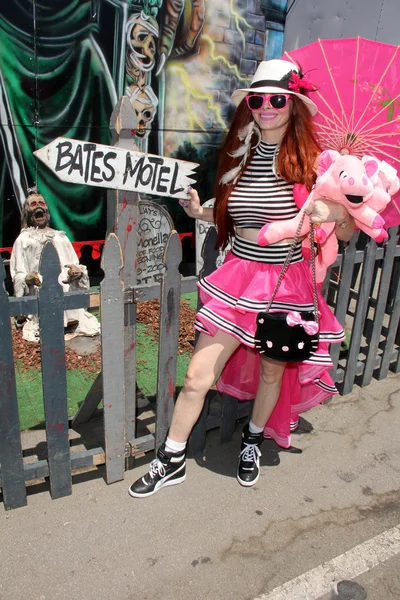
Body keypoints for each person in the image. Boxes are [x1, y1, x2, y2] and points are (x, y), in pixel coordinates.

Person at [129, 59, 355, 498]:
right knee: (197, 376)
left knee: (272, 376)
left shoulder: (316, 164)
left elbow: (345, 230)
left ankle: (252, 440)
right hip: (238, 279)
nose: (266, 107)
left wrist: (336, 212)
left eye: (277, 99)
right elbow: (238, 208)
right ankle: (171, 458)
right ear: (248, 105)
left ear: (293, 105)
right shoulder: (240, 153)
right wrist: (202, 211)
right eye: (258, 99)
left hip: (284, 284)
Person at [10, 192, 100, 342]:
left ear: (47, 210)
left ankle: (69, 319)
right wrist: (27, 278)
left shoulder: (61, 237)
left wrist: (77, 272)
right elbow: (17, 273)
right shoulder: (23, 239)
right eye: (33, 204)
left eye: (41, 203)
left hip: (64, 291)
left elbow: (75, 264)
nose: (38, 206)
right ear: (27, 212)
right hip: (41, 293)